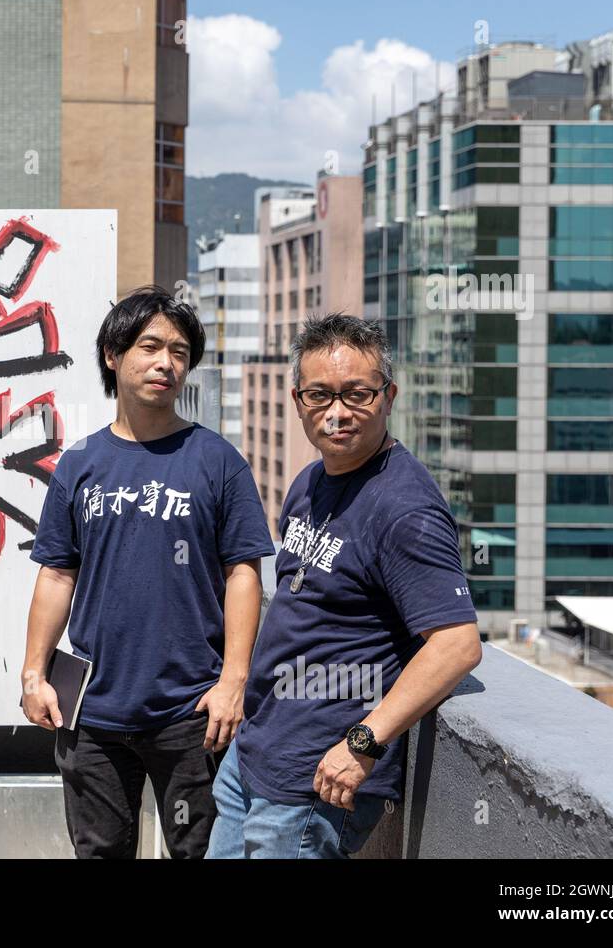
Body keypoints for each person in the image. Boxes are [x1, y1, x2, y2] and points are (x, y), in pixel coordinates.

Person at [206, 312, 482, 859]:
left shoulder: (405, 507)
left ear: (388, 396)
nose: (337, 412)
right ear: (297, 400)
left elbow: (456, 644)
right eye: (320, 395)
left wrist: (363, 743)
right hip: (258, 751)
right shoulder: (309, 483)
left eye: (358, 394)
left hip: (316, 780)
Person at [21, 285, 274, 858]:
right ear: (113, 355)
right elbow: (57, 574)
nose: (166, 363)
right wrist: (34, 672)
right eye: (150, 346)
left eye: (180, 352)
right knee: (100, 852)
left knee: (202, 852)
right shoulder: (80, 464)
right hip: (91, 710)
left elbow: (244, 573)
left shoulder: (218, 462)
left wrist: (233, 682)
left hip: (192, 710)